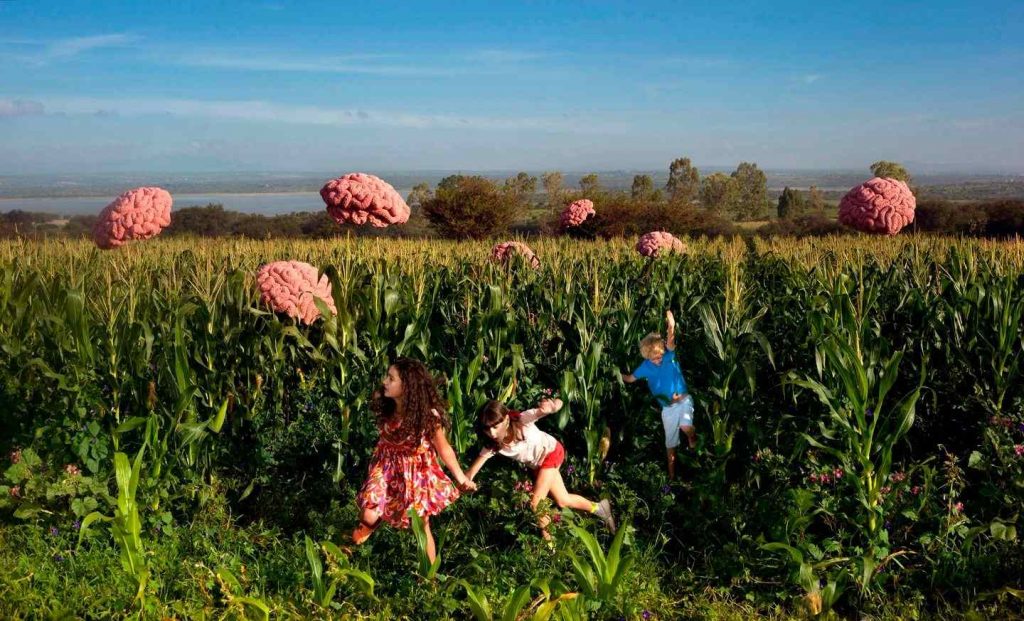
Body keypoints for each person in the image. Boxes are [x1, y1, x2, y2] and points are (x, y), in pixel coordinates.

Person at [352, 357, 476, 563]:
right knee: (368, 515)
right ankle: (371, 525)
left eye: (391, 379)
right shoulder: (385, 404)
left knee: (420, 525)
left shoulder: (427, 416)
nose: (385, 382)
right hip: (386, 466)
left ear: (407, 386)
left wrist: (461, 478)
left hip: (415, 472)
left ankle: (429, 578)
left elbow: (444, 449)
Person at [465, 396, 615, 539]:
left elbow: (559, 402)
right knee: (563, 500)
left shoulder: (523, 419)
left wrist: (553, 406)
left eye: (495, 427)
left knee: (536, 503)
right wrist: (462, 483)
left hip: (552, 452)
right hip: (539, 465)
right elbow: (471, 472)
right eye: (487, 429)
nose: (492, 433)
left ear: (506, 419)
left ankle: (551, 548)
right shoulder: (493, 446)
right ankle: (600, 508)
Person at [621, 310, 695, 480]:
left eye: (660, 355)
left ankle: (692, 438)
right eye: (654, 358)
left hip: (683, 401)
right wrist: (616, 373)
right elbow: (631, 379)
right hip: (667, 408)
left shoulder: (669, 355)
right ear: (648, 356)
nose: (658, 360)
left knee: (685, 427)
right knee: (670, 444)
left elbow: (670, 340)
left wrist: (672, 325)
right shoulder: (645, 367)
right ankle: (671, 476)